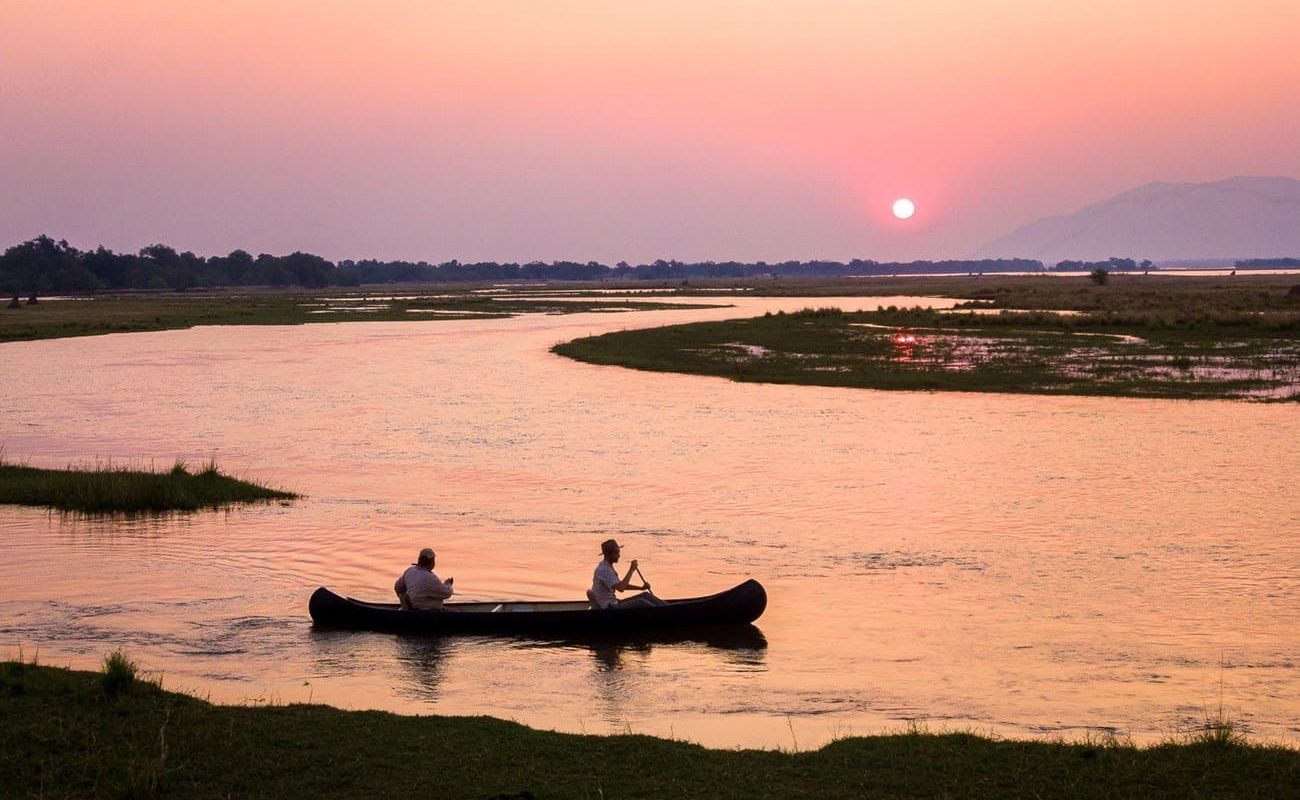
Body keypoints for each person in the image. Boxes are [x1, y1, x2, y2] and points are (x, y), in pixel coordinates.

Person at [589, 539, 664, 609]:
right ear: (609, 555)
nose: (619, 556)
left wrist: (641, 588)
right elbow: (621, 588)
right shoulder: (604, 570)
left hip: (614, 603)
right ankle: (664, 613)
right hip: (610, 607)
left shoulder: (607, 567)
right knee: (641, 602)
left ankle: (666, 608)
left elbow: (621, 585)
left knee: (646, 595)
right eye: (616, 553)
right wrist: (631, 569)